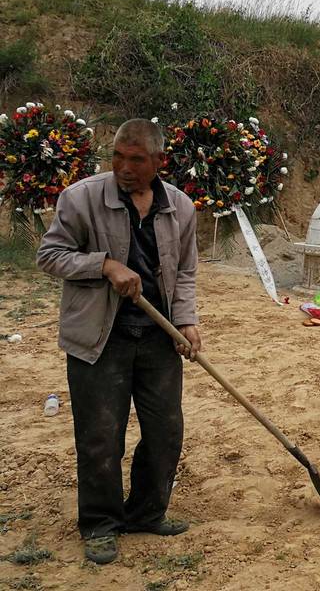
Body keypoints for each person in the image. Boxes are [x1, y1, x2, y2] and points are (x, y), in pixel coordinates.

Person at [37, 118, 202, 565]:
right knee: (100, 436)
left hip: (158, 337)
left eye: (137, 160)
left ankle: (147, 513)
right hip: (99, 337)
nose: (125, 168)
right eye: (117, 157)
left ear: (159, 161)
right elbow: (49, 255)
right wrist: (104, 265)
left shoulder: (180, 207)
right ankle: (101, 524)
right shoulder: (81, 198)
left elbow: (185, 270)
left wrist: (186, 321)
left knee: (166, 431)